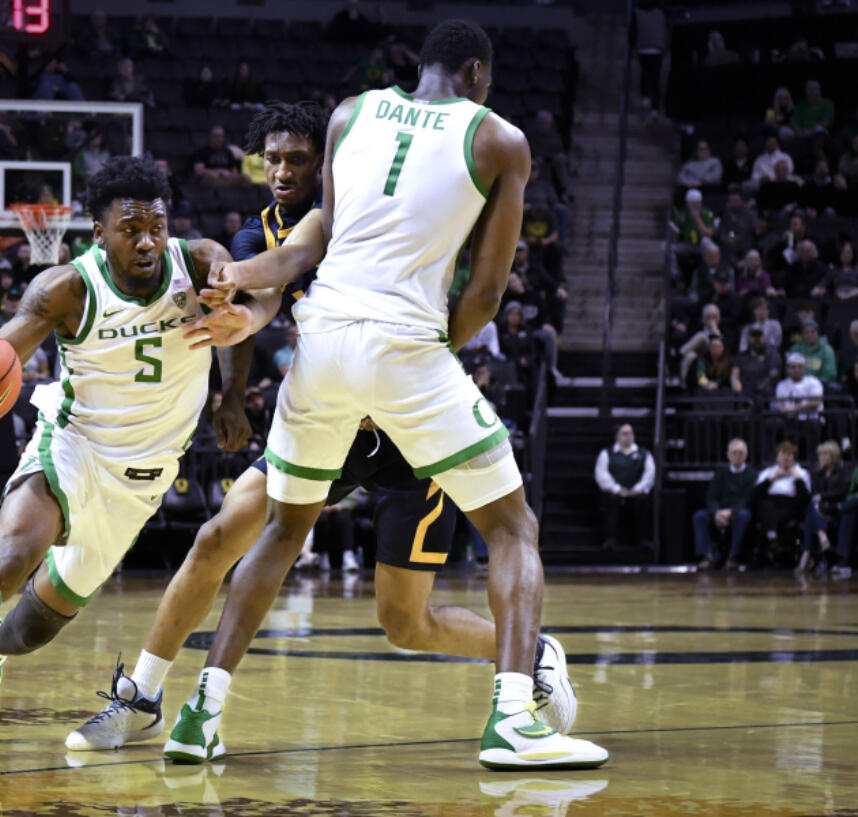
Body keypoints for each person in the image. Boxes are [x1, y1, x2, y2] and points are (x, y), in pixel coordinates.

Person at [66, 100, 576, 763]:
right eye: (272, 158)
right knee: (218, 535)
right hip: (324, 413)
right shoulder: (262, 234)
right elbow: (265, 295)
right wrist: (237, 335)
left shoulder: (380, 217)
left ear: (332, 161)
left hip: (405, 435)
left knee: (406, 621)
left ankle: (529, 650)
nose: (281, 170)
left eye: (298, 159)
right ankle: (145, 695)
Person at [161, 21, 607, 770]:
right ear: (475, 71)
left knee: (280, 529)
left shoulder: (351, 112)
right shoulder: (500, 139)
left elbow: (314, 242)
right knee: (510, 526)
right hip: (405, 343)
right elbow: (491, 289)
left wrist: (243, 276)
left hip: (322, 339)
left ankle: (200, 713)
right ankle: (514, 720)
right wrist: (433, 357)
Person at [0, 156, 269, 781]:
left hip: (140, 481)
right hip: (70, 446)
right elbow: (0, 350)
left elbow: (243, 314)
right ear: (98, 232)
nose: (146, 239)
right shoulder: (66, 287)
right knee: (8, 558)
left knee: (29, 630)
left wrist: (232, 394)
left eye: (155, 224)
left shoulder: (199, 261)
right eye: (129, 228)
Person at [693, 438, 756, 569]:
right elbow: (711, 496)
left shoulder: (752, 475)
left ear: (746, 455)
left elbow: (748, 499)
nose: (737, 456)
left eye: (740, 452)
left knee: (745, 515)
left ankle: (734, 555)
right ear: (728, 455)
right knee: (699, 516)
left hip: (737, 511)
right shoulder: (720, 474)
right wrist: (716, 512)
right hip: (720, 510)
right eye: (734, 452)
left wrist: (731, 512)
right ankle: (707, 555)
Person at [747, 441, 810, 568]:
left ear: (794, 457)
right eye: (783, 455)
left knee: (771, 511)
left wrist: (797, 479)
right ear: (777, 457)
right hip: (770, 506)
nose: (786, 458)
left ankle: (772, 537)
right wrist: (772, 478)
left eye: (789, 455)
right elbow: (754, 495)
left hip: (791, 507)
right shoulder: (768, 472)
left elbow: (804, 498)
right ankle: (773, 539)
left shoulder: (802, 473)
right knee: (766, 506)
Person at [594, 424, 655, 551]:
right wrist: (617, 489)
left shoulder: (643, 453)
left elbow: (649, 475)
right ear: (617, 436)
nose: (629, 436)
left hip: (636, 492)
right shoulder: (607, 453)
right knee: (610, 499)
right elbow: (601, 474)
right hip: (616, 492)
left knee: (642, 501)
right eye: (624, 433)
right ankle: (610, 539)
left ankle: (642, 540)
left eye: (631, 433)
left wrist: (637, 489)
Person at [800, 440, 847, 575]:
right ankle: (822, 536)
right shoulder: (817, 473)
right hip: (819, 509)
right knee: (811, 508)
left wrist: (824, 497)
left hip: (834, 508)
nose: (823, 457)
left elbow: (842, 492)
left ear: (834, 455)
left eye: (826, 454)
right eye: (821, 454)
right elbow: (814, 493)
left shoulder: (842, 471)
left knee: (811, 512)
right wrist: (820, 498)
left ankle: (806, 556)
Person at [731, 325, 781, 399]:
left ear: (763, 337)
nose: (756, 339)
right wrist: (739, 391)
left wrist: (760, 387)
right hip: (745, 395)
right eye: (753, 336)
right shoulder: (741, 356)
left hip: (766, 396)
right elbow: (734, 375)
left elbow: (774, 373)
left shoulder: (772, 354)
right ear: (748, 337)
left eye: (759, 335)